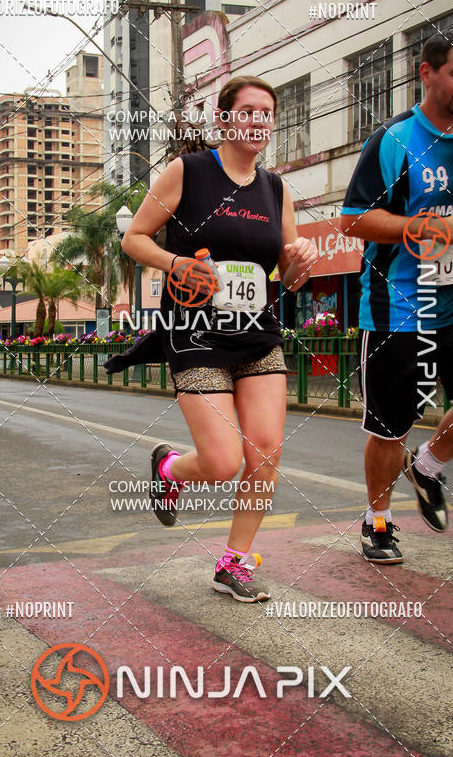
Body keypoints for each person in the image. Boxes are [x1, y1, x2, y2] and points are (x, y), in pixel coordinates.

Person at [121, 75, 317, 600]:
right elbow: (134, 238)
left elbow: (286, 272)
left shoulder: (276, 189)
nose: (259, 121)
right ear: (224, 119)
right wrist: (176, 263)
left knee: (266, 451)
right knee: (224, 460)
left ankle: (234, 562)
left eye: (267, 113)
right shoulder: (189, 171)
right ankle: (169, 467)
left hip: (256, 333)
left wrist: (298, 264)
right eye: (248, 111)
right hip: (195, 333)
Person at [341, 29, 453, 564]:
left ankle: (427, 465)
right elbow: (354, 220)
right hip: (398, 306)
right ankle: (376, 521)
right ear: (425, 73)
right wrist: (428, 228)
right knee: (389, 428)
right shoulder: (393, 140)